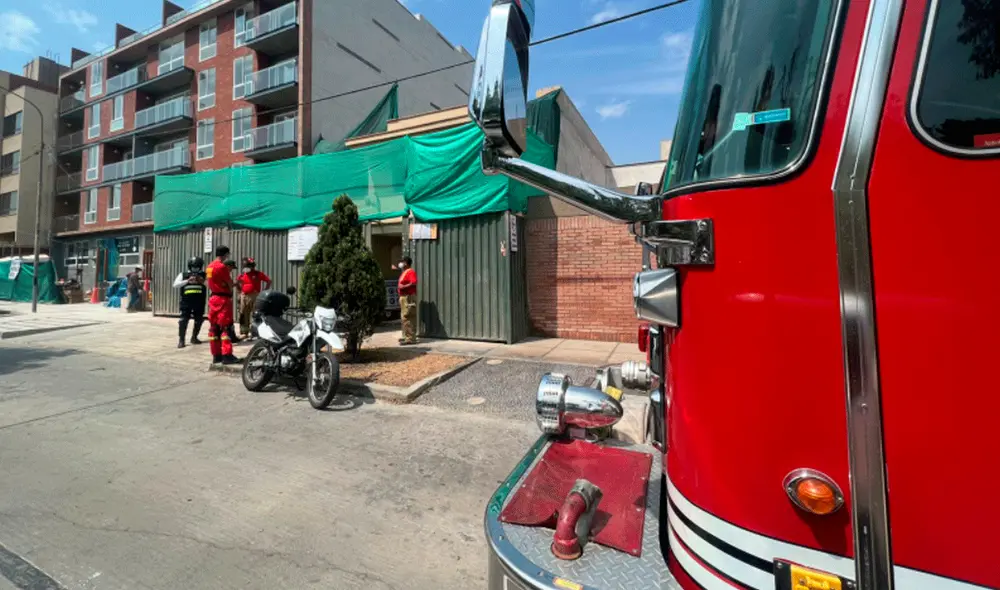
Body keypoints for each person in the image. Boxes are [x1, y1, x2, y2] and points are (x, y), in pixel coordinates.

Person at [205, 246, 240, 364]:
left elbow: (212, 281)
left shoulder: (209, 267)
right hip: (223, 299)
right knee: (225, 327)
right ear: (225, 254)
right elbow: (228, 282)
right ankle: (227, 355)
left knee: (214, 327)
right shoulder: (221, 267)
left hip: (213, 298)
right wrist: (232, 285)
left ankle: (216, 355)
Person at [173, 257, 207, 348]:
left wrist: (201, 281)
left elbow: (210, 285)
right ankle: (181, 340)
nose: (195, 269)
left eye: (197, 267)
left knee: (199, 320)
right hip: (186, 302)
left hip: (199, 302)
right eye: (193, 267)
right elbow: (175, 285)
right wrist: (187, 281)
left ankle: (194, 337)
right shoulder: (183, 274)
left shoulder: (203, 275)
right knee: (183, 320)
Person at [237, 257, 271, 338]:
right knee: (243, 314)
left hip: (255, 296)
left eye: (249, 266)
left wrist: (264, 291)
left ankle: (256, 333)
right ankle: (245, 333)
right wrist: (239, 292)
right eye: (245, 267)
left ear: (253, 266)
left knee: (256, 314)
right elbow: (237, 283)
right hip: (244, 296)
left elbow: (269, 281)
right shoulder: (242, 275)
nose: (247, 268)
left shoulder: (258, 274)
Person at [396, 256, 418, 345]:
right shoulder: (404, 272)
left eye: (402, 262)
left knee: (408, 317)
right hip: (403, 297)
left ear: (406, 263)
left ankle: (410, 338)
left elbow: (414, 282)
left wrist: (404, 287)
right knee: (404, 317)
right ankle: (406, 336)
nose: (400, 264)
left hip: (408, 297)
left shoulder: (411, 272)